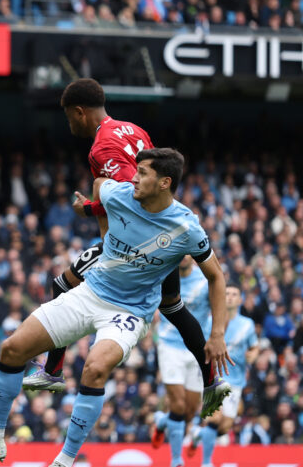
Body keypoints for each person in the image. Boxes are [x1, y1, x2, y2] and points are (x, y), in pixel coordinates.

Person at [0, 149, 232, 467]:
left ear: (165, 182)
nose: (134, 178)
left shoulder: (186, 227)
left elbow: (216, 277)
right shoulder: (119, 193)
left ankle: (62, 466)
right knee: (12, 349)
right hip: (90, 294)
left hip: (129, 312)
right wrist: (86, 207)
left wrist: (218, 335)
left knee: (95, 368)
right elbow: (100, 183)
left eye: (142, 173)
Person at [24, 79, 223, 416]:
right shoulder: (133, 128)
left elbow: (134, 192)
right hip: (164, 233)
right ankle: (212, 381)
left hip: (132, 242)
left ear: (79, 112)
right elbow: (154, 174)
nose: (69, 123)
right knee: (173, 307)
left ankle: (53, 371)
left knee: (61, 285)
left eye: (68, 117)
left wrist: (87, 209)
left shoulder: (101, 149)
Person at [149, 255, 211, 467]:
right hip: (169, 345)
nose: (183, 256)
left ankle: (161, 421)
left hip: (195, 348)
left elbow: (215, 311)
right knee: (177, 404)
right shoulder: (164, 274)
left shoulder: (204, 281)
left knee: (189, 411)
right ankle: (177, 463)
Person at [196, 286, 259, 467]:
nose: (230, 298)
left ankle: (195, 435)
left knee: (223, 427)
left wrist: (252, 356)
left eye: (234, 295)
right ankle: (206, 465)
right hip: (213, 377)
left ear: (240, 300)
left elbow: (254, 347)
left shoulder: (247, 325)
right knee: (215, 418)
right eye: (226, 294)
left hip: (236, 381)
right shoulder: (209, 321)